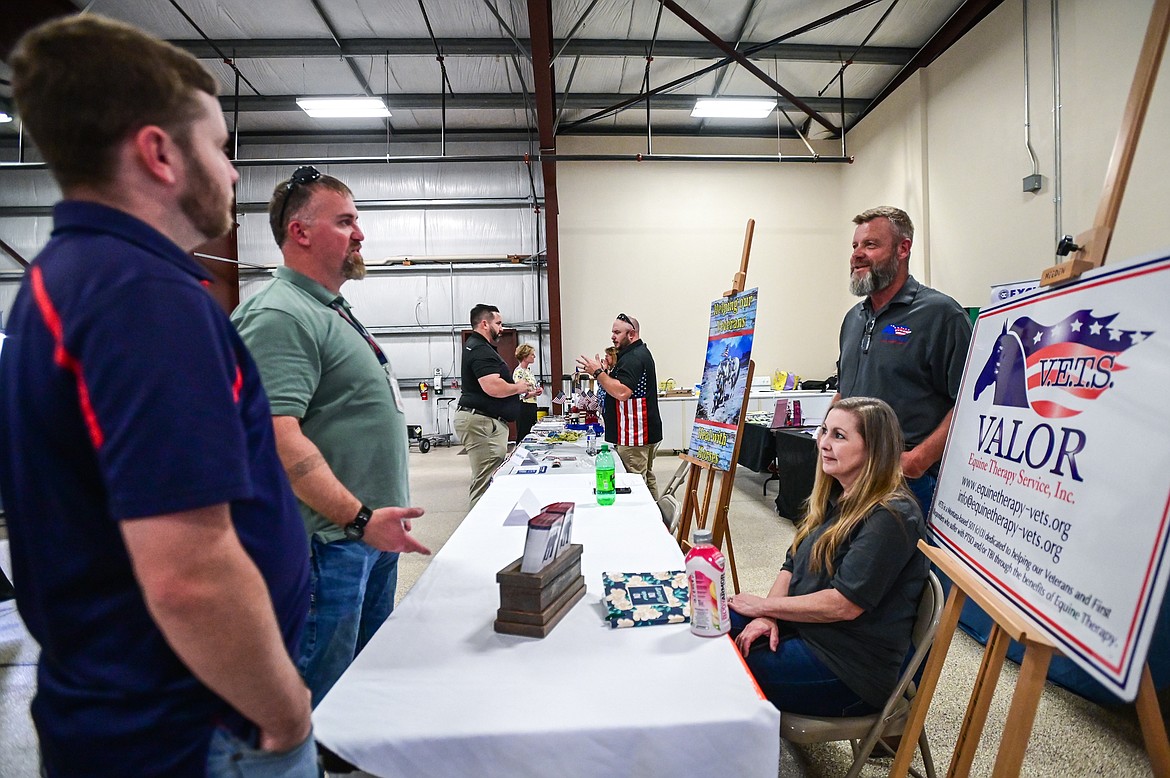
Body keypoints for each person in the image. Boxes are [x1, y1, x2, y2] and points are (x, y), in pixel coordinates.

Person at [0, 15, 316, 776]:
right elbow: (189, 571)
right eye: (219, 147)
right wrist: (282, 710)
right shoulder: (140, 296)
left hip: (133, 715)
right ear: (159, 152)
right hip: (198, 727)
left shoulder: (69, 277)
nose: (235, 173)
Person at [232, 168, 431, 708]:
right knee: (322, 697)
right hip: (329, 544)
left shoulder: (330, 310)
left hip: (365, 538)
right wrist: (358, 518)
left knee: (360, 693)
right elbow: (275, 435)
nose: (360, 233)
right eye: (345, 222)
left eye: (357, 221)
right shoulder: (279, 312)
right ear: (300, 232)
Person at [728, 397, 928, 716]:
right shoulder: (837, 495)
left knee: (727, 666)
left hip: (847, 667)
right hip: (806, 630)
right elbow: (792, 563)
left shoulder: (892, 515)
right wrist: (769, 616)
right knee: (711, 627)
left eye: (839, 435)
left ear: (874, 449)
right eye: (824, 431)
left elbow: (844, 604)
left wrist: (764, 606)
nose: (823, 443)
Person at [836, 206, 972, 516]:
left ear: (903, 248)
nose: (857, 254)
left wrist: (919, 459)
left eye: (870, 245)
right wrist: (828, 435)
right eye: (855, 246)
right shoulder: (853, 319)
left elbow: (970, 402)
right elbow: (845, 390)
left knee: (915, 564)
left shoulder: (941, 315)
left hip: (909, 481)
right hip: (855, 475)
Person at [455, 304, 535, 507]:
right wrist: (518, 387)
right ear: (484, 323)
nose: (501, 328)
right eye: (498, 323)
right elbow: (492, 386)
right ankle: (480, 531)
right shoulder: (481, 349)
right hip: (482, 421)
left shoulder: (478, 347)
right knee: (486, 481)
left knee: (488, 477)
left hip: (484, 419)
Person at [577, 314, 662, 498]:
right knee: (646, 477)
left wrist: (598, 373)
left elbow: (622, 392)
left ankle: (645, 519)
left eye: (617, 332)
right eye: (612, 332)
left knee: (635, 482)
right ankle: (657, 516)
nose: (613, 336)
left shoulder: (633, 357)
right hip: (641, 431)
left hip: (634, 434)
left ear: (631, 334)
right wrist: (606, 372)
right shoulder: (637, 353)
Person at [513, 343, 544, 442]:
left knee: (530, 433)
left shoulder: (528, 371)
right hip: (524, 406)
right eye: (532, 354)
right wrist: (534, 393)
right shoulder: (519, 372)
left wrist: (537, 390)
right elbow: (521, 393)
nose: (534, 356)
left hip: (531, 405)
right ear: (525, 356)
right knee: (523, 433)